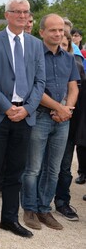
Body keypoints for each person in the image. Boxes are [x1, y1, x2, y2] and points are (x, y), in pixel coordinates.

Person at [0, 0, 46, 239]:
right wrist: (8, 107)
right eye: (16, 11)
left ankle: (10, 218)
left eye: (25, 12)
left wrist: (27, 109)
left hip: (25, 115)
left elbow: (40, 82)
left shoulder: (36, 45)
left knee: (16, 171)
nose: (21, 15)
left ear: (29, 16)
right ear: (6, 15)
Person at [20, 14, 79, 231]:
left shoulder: (68, 58)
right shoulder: (33, 56)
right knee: (33, 168)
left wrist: (67, 110)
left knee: (53, 169)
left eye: (61, 31)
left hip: (63, 119)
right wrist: (58, 107)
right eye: (52, 30)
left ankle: (44, 209)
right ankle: (29, 209)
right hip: (40, 117)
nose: (57, 34)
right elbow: (33, 88)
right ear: (42, 32)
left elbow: (73, 87)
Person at [54, 30, 84, 222]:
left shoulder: (78, 66)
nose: (62, 49)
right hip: (49, 117)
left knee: (64, 166)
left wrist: (67, 111)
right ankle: (37, 203)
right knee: (42, 165)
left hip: (71, 122)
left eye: (65, 45)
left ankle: (62, 201)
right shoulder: (45, 63)